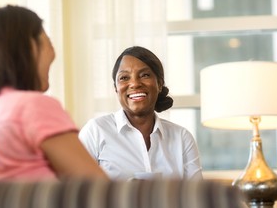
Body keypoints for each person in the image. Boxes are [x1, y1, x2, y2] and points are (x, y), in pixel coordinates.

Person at [0, 5, 108, 181]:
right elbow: (98, 186)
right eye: (48, 40)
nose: (53, 53)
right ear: (30, 47)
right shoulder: (32, 106)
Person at [79, 46, 202, 180]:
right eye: (124, 78)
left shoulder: (182, 138)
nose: (135, 84)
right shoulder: (95, 131)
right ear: (116, 88)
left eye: (145, 75)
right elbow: (77, 193)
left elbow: (196, 197)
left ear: (159, 84)